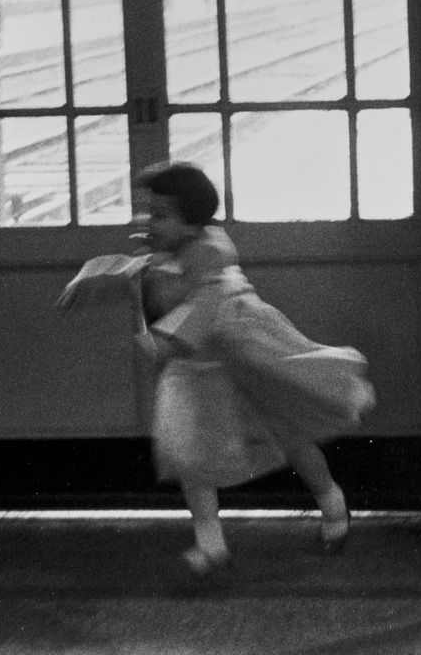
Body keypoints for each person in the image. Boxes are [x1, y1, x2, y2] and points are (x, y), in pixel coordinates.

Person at [97, 161, 374, 576]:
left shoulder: (212, 258)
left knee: (289, 434)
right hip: (197, 369)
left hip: (247, 361)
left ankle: (332, 503)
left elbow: (187, 322)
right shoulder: (162, 256)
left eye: (159, 214)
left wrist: (152, 320)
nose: (147, 222)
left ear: (191, 224)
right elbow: (161, 313)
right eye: (146, 212)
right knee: (190, 455)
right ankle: (210, 544)